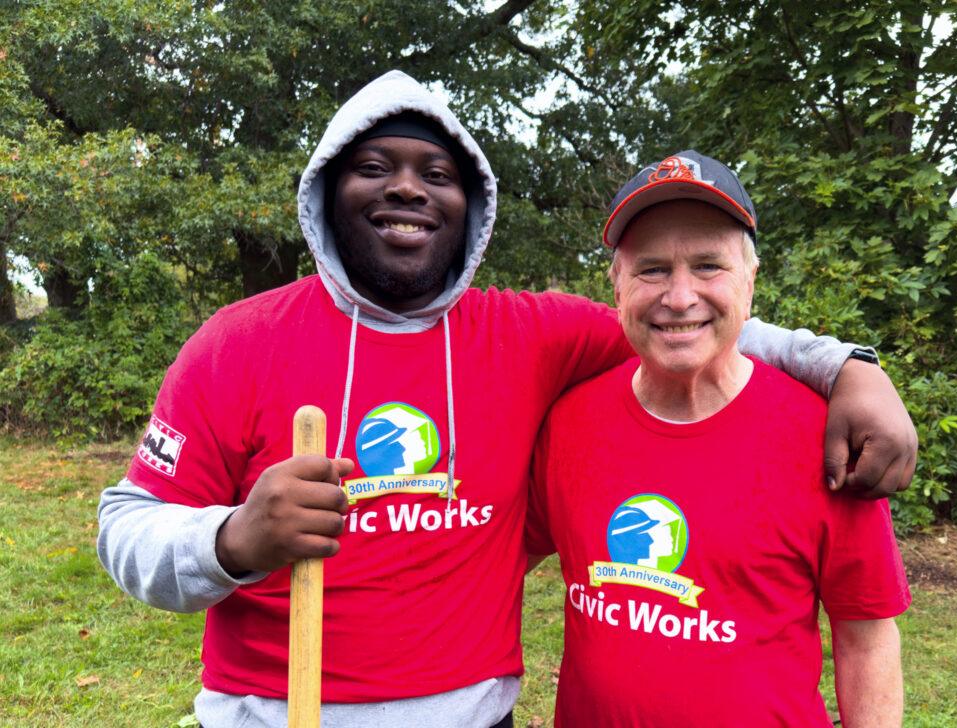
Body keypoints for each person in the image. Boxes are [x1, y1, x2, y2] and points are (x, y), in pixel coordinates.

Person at [98, 71, 915, 727]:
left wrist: (849, 368)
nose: (410, 190)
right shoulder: (239, 342)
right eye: (376, 168)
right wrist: (233, 538)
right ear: (325, 196)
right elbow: (125, 527)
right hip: (277, 713)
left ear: (472, 206)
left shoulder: (531, 335)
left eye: (438, 174)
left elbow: (685, 325)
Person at [526, 150, 911, 727]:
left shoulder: (826, 438)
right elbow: (499, 560)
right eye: (652, 269)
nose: (679, 298)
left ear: (751, 281)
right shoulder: (569, 422)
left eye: (708, 266)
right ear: (616, 284)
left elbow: (868, 638)